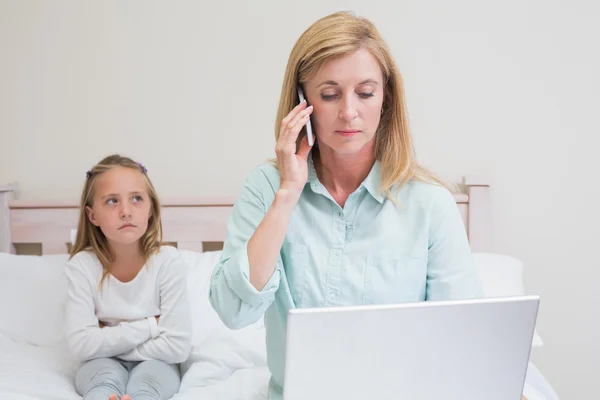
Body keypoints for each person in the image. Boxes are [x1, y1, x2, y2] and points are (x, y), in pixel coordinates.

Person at [209, 11, 530, 400]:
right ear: (301, 102)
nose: (348, 112)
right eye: (329, 94)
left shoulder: (430, 204)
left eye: (365, 92)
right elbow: (232, 310)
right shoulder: (266, 189)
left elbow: (461, 342)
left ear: (386, 99)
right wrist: (288, 194)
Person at [65, 155, 192, 400]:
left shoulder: (168, 261)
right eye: (112, 201)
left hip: (158, 365)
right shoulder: (81, 266)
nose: (125, 211)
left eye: (136, 199)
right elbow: (81, 346)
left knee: (148, 388)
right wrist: (152, 326)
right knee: (101, 385)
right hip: (100, 364)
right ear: (93, 216)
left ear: (151, 209)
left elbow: (177, 347)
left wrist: (106, 338)